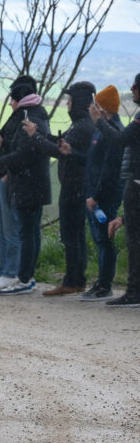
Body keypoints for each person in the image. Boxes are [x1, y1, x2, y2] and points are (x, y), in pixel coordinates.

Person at [23, 81, 96, 295]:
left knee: (71, 235)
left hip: (74, 188)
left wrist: (35, 136)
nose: (67, 104)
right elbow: (60, 144)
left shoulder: (82, 126)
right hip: (76, 187)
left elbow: (58, 151)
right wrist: (41, 134)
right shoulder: (83, 124)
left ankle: (73, 280)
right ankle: (76, 279)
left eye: (70, 100)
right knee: (75, 235)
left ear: (79, 102)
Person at [0, 75, 51, 295]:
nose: (10, 103)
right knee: (18, 230)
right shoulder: (27, 115)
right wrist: (1, 143)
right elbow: (17, 144)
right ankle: (17, 274)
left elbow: (27, 152)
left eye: (12, 98)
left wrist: (2, 162)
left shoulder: (31, 117)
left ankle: (20, 276)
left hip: (27, 183)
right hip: (23, 181)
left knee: (23, 232)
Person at [90, 73, 140, 307]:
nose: (132, 90)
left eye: (135, 87)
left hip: (136, 183)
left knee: (134, 241)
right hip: (134, 182)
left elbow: (120, 140)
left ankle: (133, 291)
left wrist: (100, 121)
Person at [80, 85, 125, 301]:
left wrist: (96, 196)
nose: (92, 109)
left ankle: (105, 285)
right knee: (99, 239)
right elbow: (94, 162)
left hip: (104, 196)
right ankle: (101, 281)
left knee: (104, 239)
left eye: (96, 105)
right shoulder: (102, 128)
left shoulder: (112, 130)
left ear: (103, 108)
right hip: (95, 192)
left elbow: (109, 169)